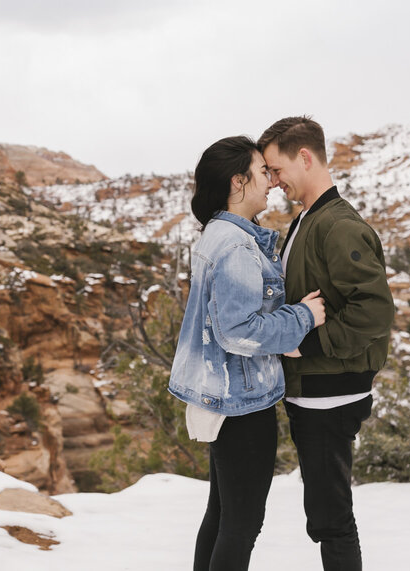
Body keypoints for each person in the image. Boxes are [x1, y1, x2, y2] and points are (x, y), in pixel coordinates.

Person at [168, 135, 326, 571]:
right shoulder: (236, 245)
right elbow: (237, 330)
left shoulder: (218, 234)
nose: (271, 182)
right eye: (262, 173)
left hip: (222, 396)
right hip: (241, 404)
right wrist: (302, 318)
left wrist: (281, 337)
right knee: (242, 523)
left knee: (221, 515)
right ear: (238, 183)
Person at [258, 116, 395, 571]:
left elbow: (374, 312)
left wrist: (307, 346)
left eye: (277, 170)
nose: (274, 182)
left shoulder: (336, 226)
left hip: (330, 395)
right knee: (325, 512)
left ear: (305, 157)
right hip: (315, 391)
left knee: (331, 517)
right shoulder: (305, 221)